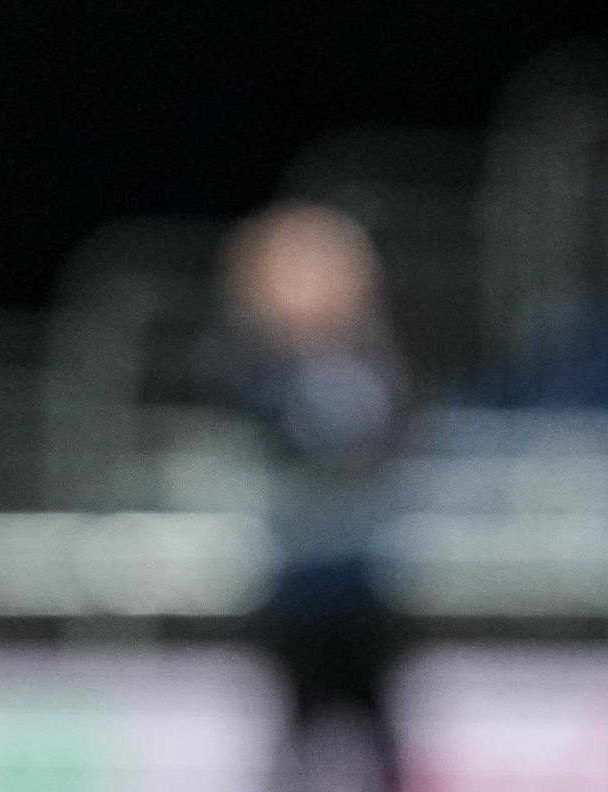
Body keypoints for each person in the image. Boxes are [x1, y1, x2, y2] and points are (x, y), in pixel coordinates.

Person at [205, 201, 410, 792]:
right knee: (294, 732)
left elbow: (375, 441)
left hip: (361, 586)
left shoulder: (374, 366)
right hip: (295, 587)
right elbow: (284, 439)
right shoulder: (255, 372)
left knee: (376, 730)